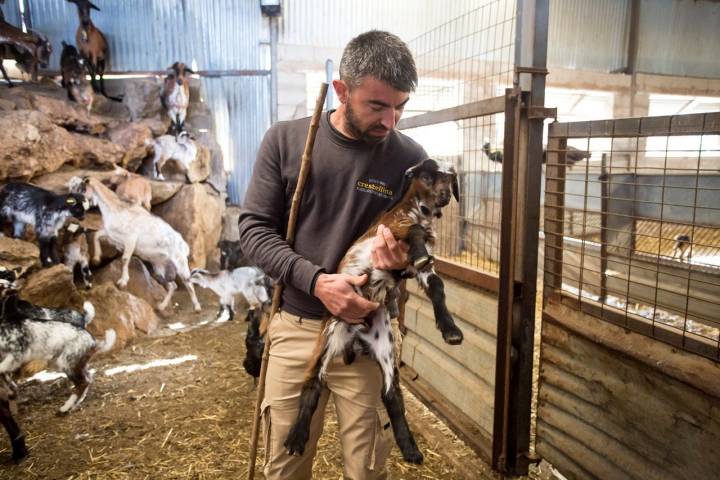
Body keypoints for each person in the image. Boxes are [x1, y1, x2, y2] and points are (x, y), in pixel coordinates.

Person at [238, 30, 427, 479]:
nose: (391, 121)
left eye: (400, 106)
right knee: (285, 465)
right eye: (377, 106)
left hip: (366, 331)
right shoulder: (286, 141)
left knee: (367, 469)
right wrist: (318, 282)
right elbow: (254, 230)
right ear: (341, 90)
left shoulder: (410, 158)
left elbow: (415, 246)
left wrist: (401, 265)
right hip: (296, 326)